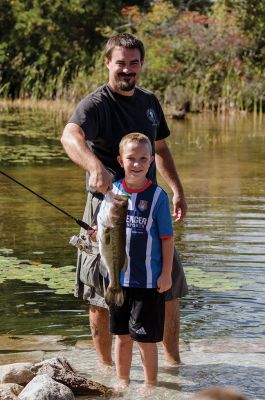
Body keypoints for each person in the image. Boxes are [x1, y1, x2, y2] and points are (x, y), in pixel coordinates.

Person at [61, 32, 188, 367]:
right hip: (108, 207)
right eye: (121, 63)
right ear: (108, 63)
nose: (127, 70)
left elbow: (160, 149)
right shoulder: (96, 104)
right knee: (102, 291)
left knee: (169, 286)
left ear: (141, 65)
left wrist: (176, 188)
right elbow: (69, 135)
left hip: (149, 206)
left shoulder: (148, 102)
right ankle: (105, 373)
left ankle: (173, 366)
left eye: (134, 63)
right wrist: (94, 166)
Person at [107, 132, 174, 386]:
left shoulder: (158, 197)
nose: (136, 164)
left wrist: (166, 274)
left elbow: (167, 239)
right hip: (117, 279)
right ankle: (122, 382)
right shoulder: (112, 192)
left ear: (152, 161)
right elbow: (103, 228)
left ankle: (150, 387)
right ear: (120, 160)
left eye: (143, 159)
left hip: (147, 281)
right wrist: (94, 233)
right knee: (121, 336)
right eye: (131, 158)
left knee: (145, 340)